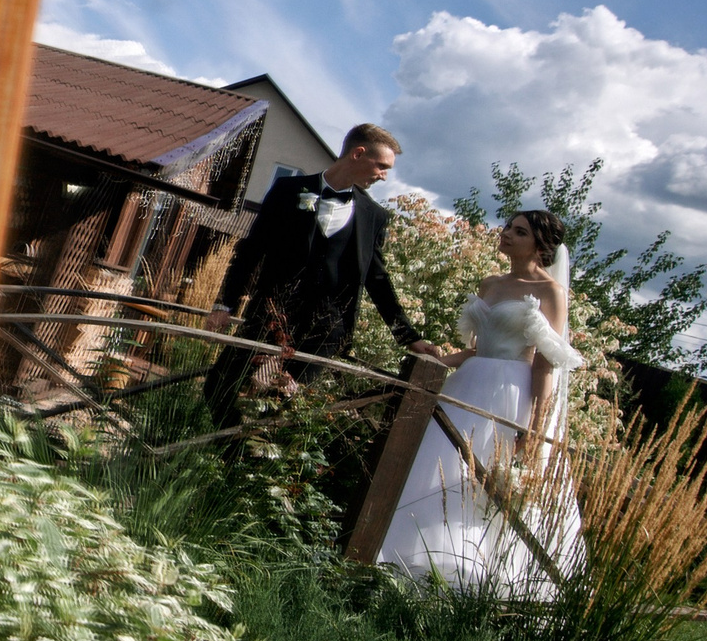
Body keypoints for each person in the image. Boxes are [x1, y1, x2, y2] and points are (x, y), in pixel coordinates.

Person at [377, 207, 585, 592]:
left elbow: (544, 364)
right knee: (440, 468)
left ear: (540, 246)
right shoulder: (491, 283)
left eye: (519, 232)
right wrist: (438, 359)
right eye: (508, 226)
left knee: (488, 481)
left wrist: (534, 428)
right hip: (469, 385)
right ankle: (408, 563)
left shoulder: (550, 292)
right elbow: (476, 350)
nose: (506, 233)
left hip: (512, 395)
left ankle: (483, 579)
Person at [202, 123, 434, 426]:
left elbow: (377, 280)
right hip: (270, 314)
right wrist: (225, 304)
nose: (383, 175)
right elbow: (251, 251)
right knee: (218, 387)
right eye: (381, 166)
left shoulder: (374, 216)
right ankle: (231, 454)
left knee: (280, 406)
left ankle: (249, 461)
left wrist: (408, 337)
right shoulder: (288, 190)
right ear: (358, 153)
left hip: (325, 329)